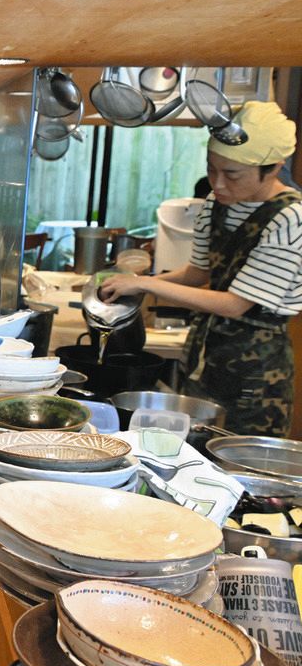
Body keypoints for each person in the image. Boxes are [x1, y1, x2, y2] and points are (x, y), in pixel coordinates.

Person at [100, 101, 300, 436]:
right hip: (203, 358)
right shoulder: (216, 204)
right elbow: (197, 274)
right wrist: (135, 281)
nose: (218, 184)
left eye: (232, 174)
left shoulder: (290, 218)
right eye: (211, 169)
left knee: (236, 457)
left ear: (273, 169)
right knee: (191, 448)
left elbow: (235, 304)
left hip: (256, 372)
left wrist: (148, 286)